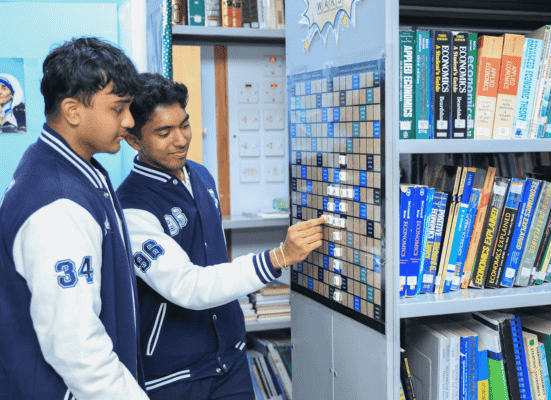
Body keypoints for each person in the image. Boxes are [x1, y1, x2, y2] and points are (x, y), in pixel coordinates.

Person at [117, 72, 323, 399]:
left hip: (230, 359)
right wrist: (279, 257)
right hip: (174, 375)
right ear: (133, 140)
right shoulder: (131, 208)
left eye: (184, 125)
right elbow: (188, 285)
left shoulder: (200, 175)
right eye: (164, 132)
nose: (181, 139)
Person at [0, 37, 149, 399]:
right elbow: (78, 349)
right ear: (72, 111)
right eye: (118, 109)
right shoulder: (59, 202)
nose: (129, 121)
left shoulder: (63, 168)